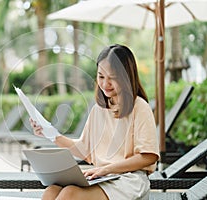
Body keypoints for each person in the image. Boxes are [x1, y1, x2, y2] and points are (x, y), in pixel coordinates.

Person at [29, 44, 159, 200]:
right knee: (51, 192)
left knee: (69, 194)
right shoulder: (99, 110)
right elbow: (85, 149)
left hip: (129, 180)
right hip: (103, 176)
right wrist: (51, 134)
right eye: (101, 76)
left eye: (113, 78)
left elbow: (149, 156)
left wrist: (106, 170)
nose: (105, 84)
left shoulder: (140, 107)